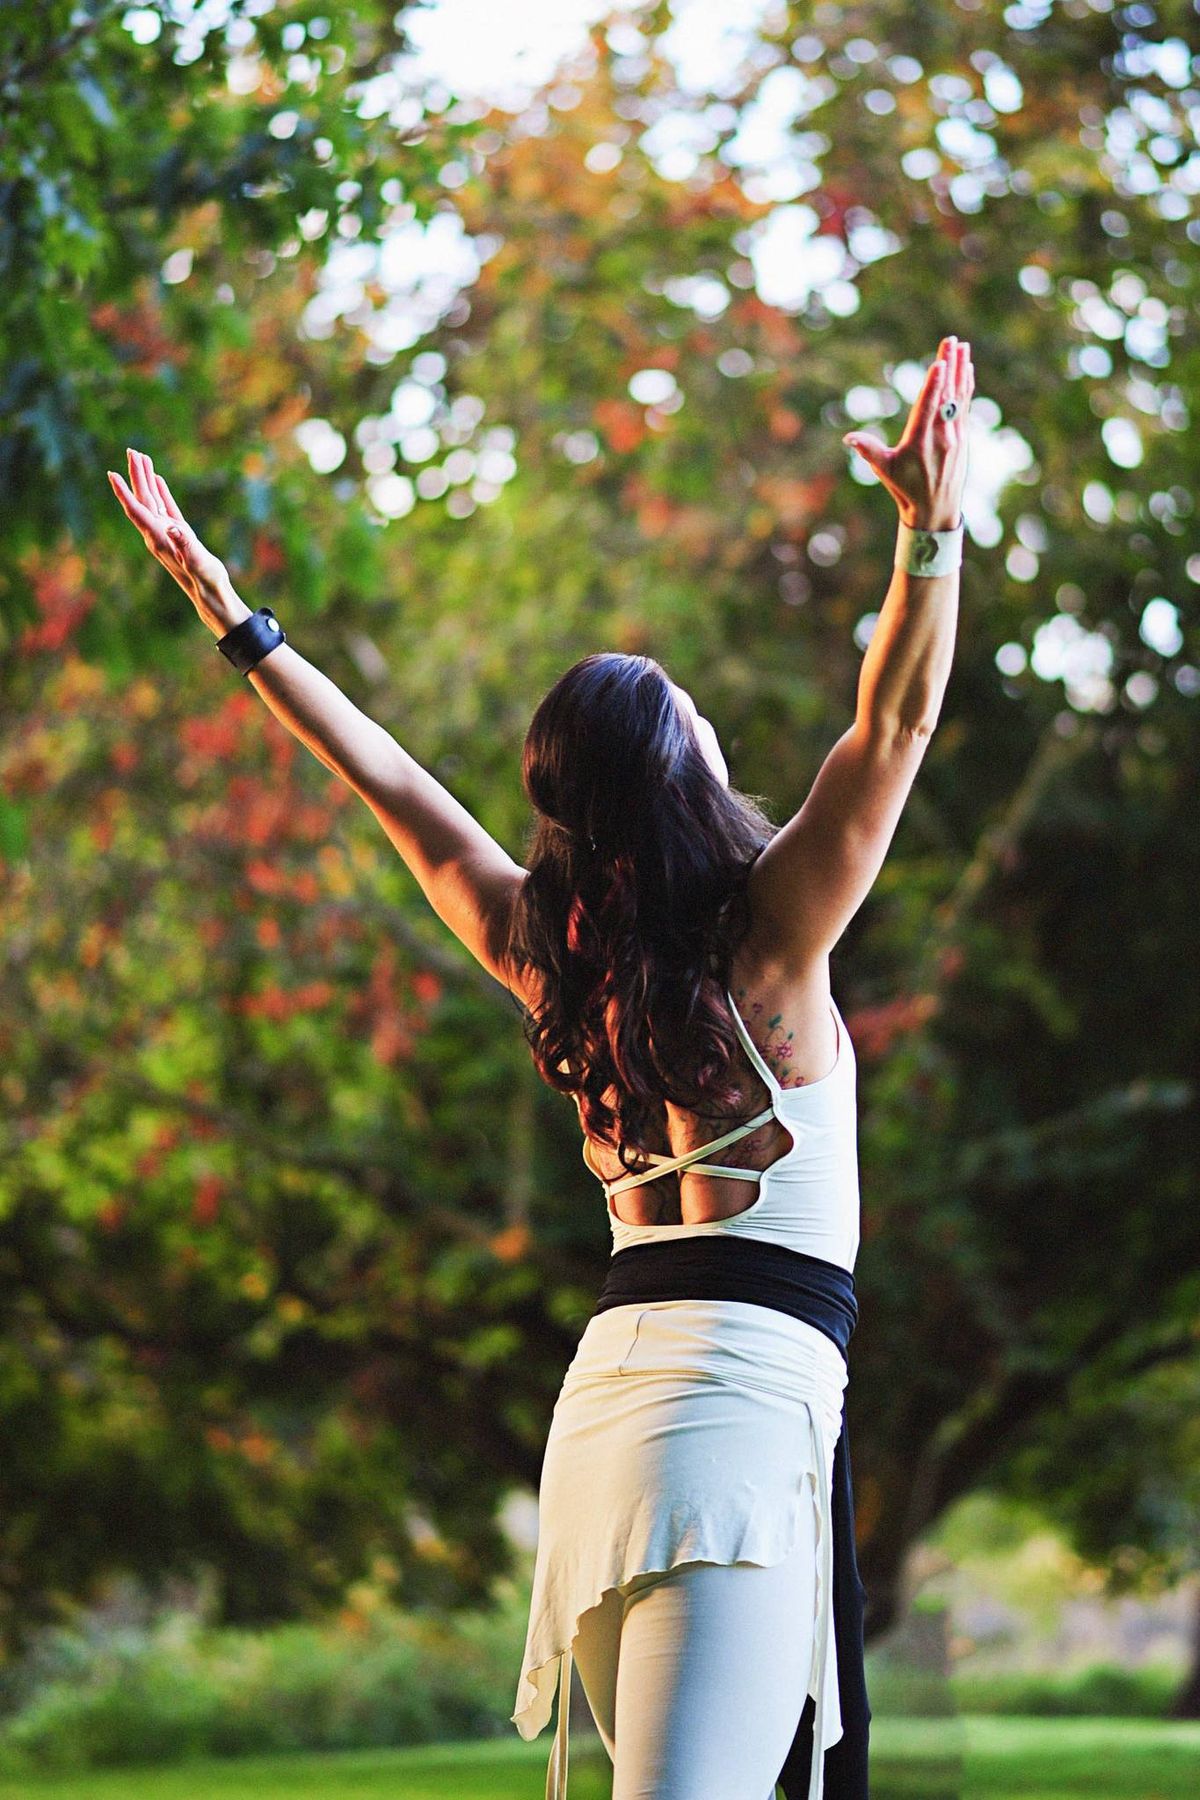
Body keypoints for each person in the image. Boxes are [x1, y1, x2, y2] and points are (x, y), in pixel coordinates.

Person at [108, 335, 973, 1800]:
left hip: (609, 1418)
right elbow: (892, 719)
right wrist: (929, 536)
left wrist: (240, 622)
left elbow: (384, 779)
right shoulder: (777, 937)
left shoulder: (548, 955)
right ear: (687, 770)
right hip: (740, 1420)